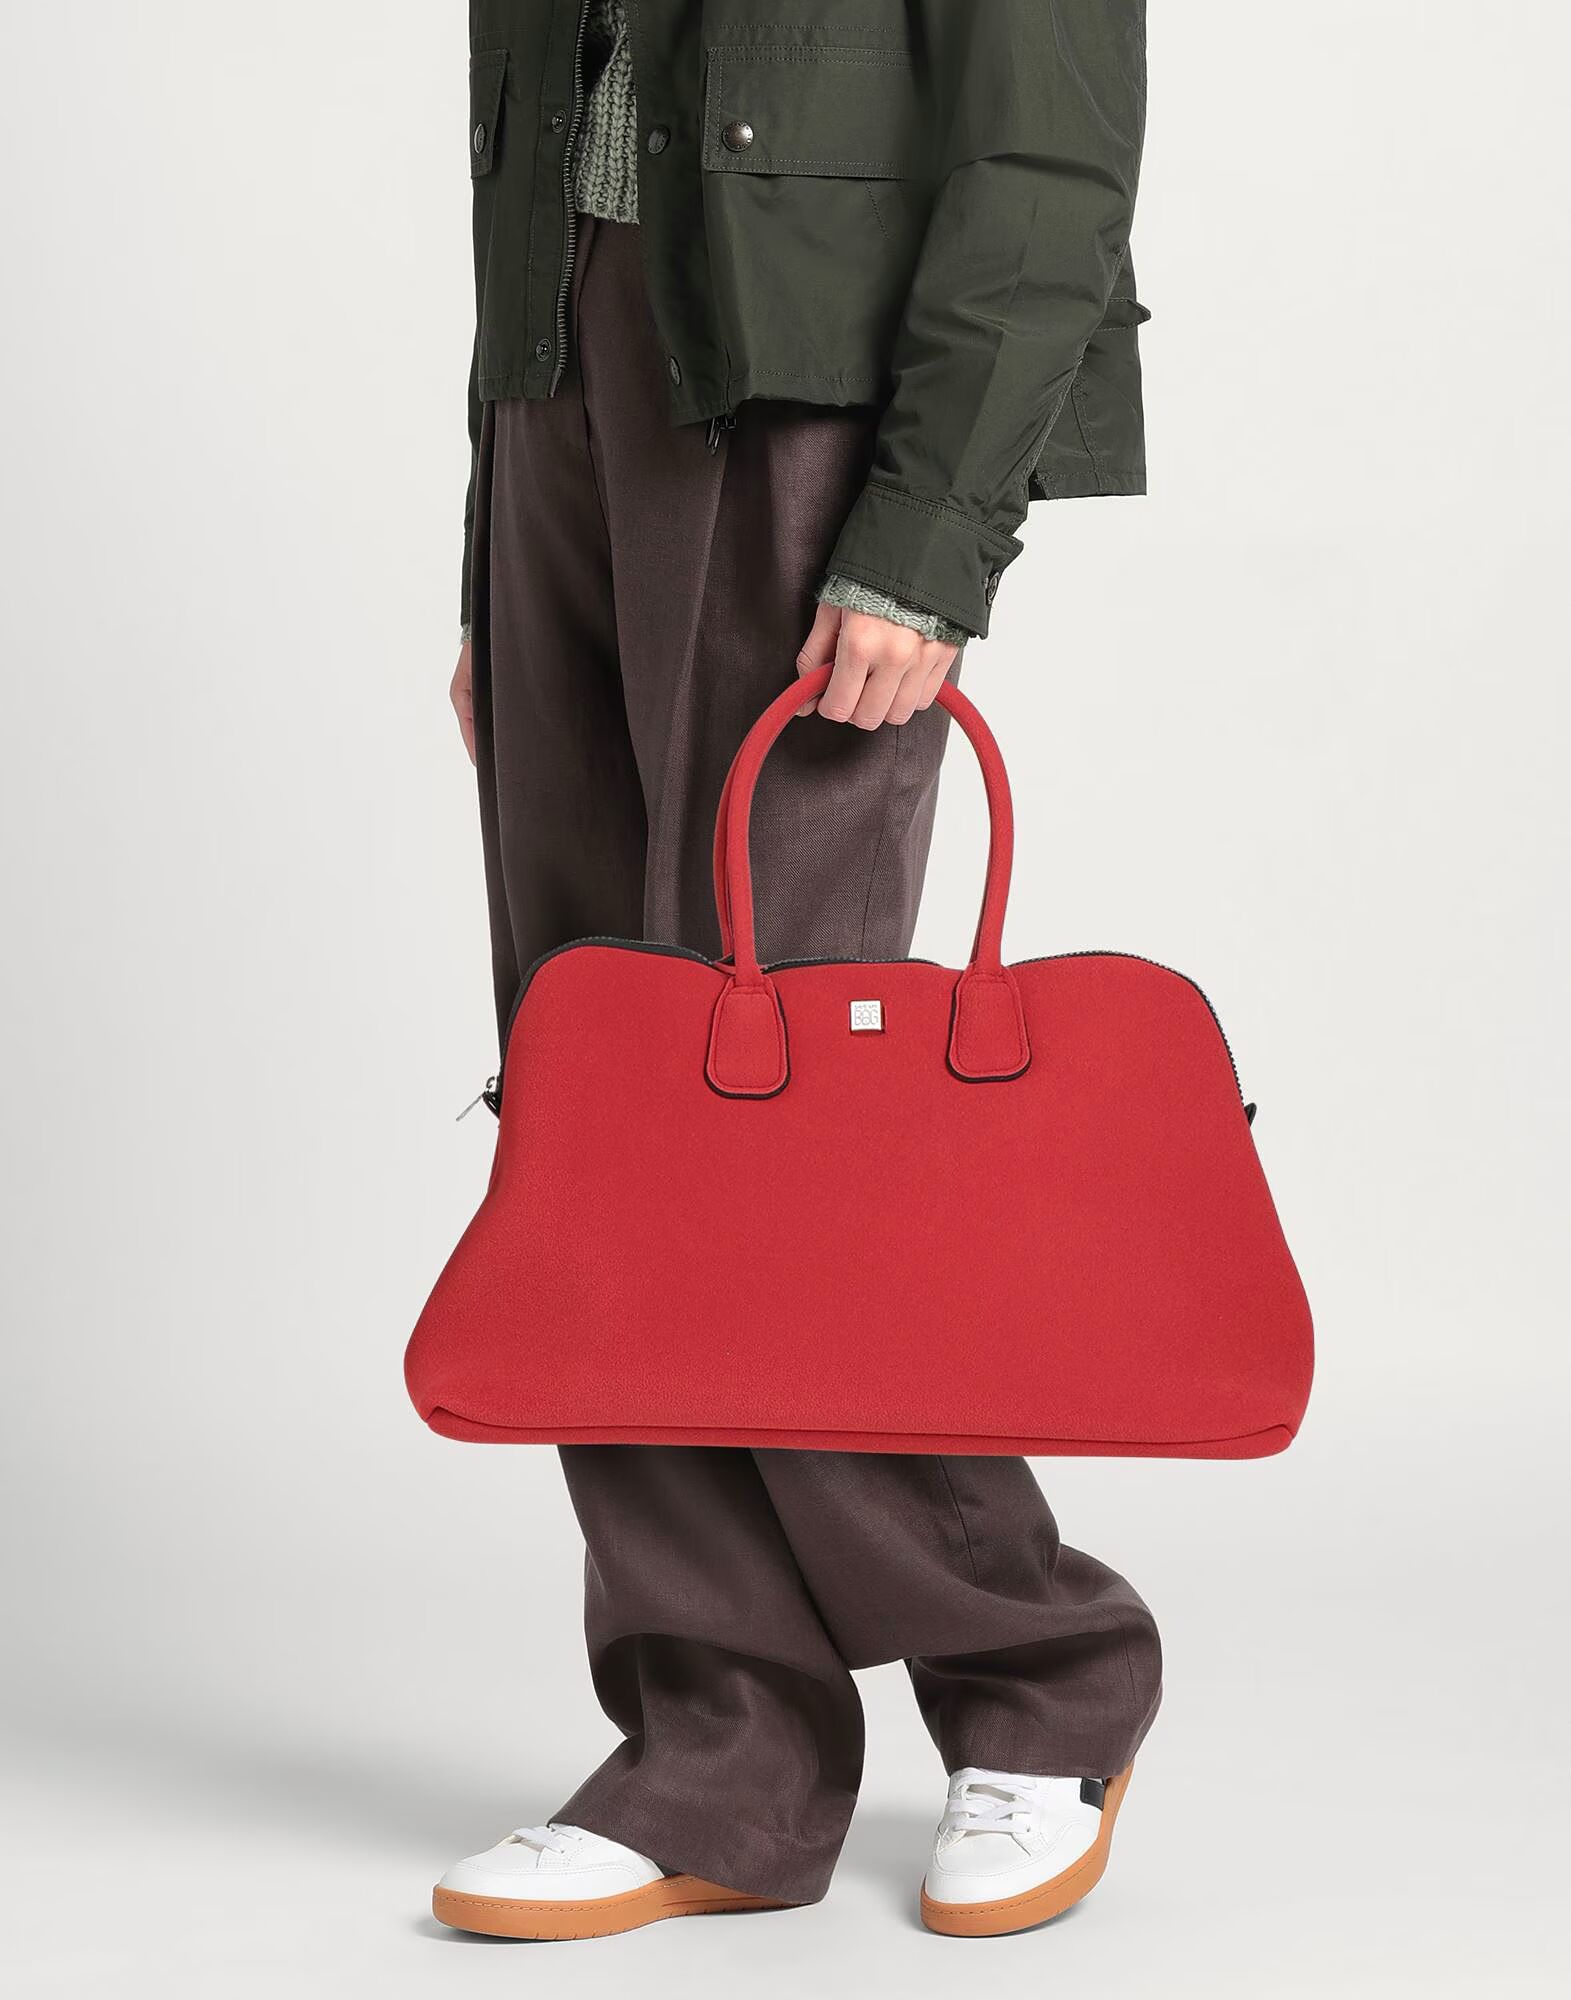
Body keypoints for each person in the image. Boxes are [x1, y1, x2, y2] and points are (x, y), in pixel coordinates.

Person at [432, 0, 1157, 1942]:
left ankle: (1038, 1670)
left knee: (796, 1125)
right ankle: (718, 1748)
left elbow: (1046, 147)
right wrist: (495, 533)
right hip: (567, 377)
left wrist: (929, 537)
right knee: (596, 1091)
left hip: (811, 402)